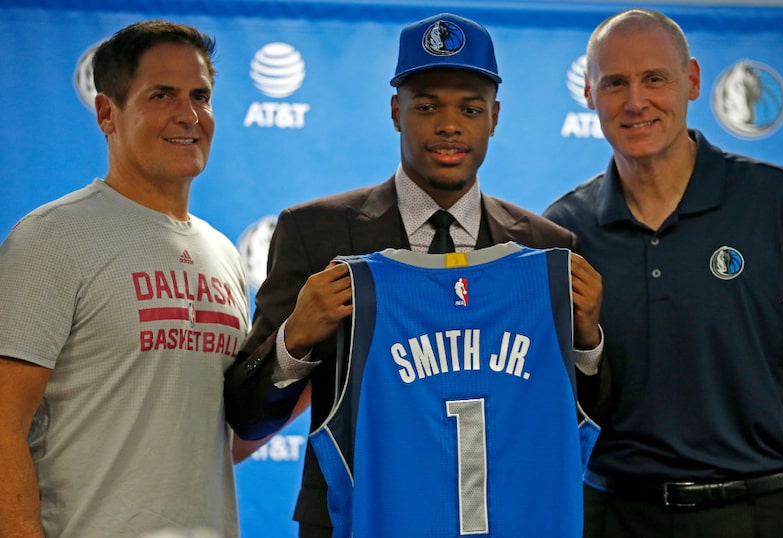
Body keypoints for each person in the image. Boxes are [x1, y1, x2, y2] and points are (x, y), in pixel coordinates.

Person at [224, 12, 603, 537]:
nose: (449, 125)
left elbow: (586, 418)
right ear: (395, 111)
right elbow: (248, 416)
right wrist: (295, 339)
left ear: (494, 117)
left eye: (469, 108)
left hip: (507, 518)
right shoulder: (316, 233)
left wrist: (587, 344)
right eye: (426, 106)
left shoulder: (545, 249)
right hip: (353, 518)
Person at [543, 8, 783, 538]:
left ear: (692, 80)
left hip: (766, 514)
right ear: (588, 93)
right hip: (615, 516)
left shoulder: (779, 203)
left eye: (655, 78)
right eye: (615, 84)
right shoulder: (562, 231)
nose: (635, 102)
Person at [0, 20, 250, 537]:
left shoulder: (223, 253)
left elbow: (214, 438)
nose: (189, 115)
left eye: (200, 96)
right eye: (162, 95)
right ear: (107, 112)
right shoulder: (52, 238)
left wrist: (311, 361)